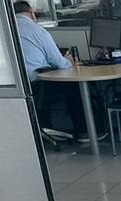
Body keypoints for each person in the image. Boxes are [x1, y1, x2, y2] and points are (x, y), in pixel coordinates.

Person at [13, 1, 105, 142]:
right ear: (32, 13)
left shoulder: (8, 29)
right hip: (38, 83)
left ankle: (47, 129)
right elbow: (60, 63)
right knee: (75, 86)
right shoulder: (37, 30)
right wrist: (69, 60)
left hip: (18, 86)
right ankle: (84, 132)